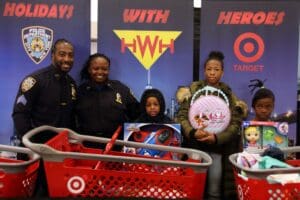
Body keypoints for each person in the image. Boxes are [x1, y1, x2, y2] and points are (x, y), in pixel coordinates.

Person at [12, 38, 77, 197]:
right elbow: (19, 114)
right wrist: (29, 146)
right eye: (62, 54)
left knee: (55, 191)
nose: (67, 59)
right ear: (52, 55)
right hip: (35, 150)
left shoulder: (72, 84)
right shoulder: (35, 80)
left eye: (70, 55)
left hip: (59, 153)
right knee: (34, 193)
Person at [176, 51, 243, 200]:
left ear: (222, 72)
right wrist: (193, 132)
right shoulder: (193, 91)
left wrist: (217, 138)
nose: (212, 73)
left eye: (216, 69)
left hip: (217, 149)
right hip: (195, 147)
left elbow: (235, 123)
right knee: (192, 189)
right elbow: (181, 117)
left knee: (214, 191)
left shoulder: (229, 96)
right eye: (209, 69)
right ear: (204, 70)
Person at [75, 53, 140, 144]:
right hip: (87, 144)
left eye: (104, 69)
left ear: (108, 70)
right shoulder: (80, 91)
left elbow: (137, 113)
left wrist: (131, 132)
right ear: (89, 70)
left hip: (116, 144)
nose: (100, 72)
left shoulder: (121, 89)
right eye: (96, 69)